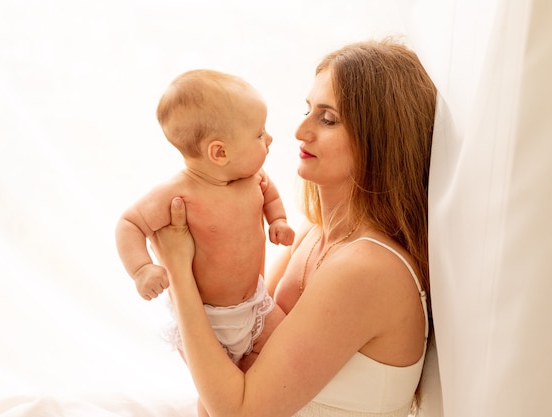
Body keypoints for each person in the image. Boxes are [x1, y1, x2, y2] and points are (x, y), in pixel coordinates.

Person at [152, 38, 437, 417]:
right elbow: (228, 364)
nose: (301, 130)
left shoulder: (368, 268)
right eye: (308, 110)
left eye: (328, 118)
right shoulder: (311, 234)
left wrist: (178, 271)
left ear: (378, 139)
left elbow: (237, 409)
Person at [115, 69, 294, 404]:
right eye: (259, 134)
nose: (269, 139)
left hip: (256, 308)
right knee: (213, 397)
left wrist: (278, 221)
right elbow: (129, 224)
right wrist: (142, 269)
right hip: (204, 324)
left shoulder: (254, 177)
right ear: (219, 153)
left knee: (280, 360)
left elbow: (270, 196)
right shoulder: (178, 193)